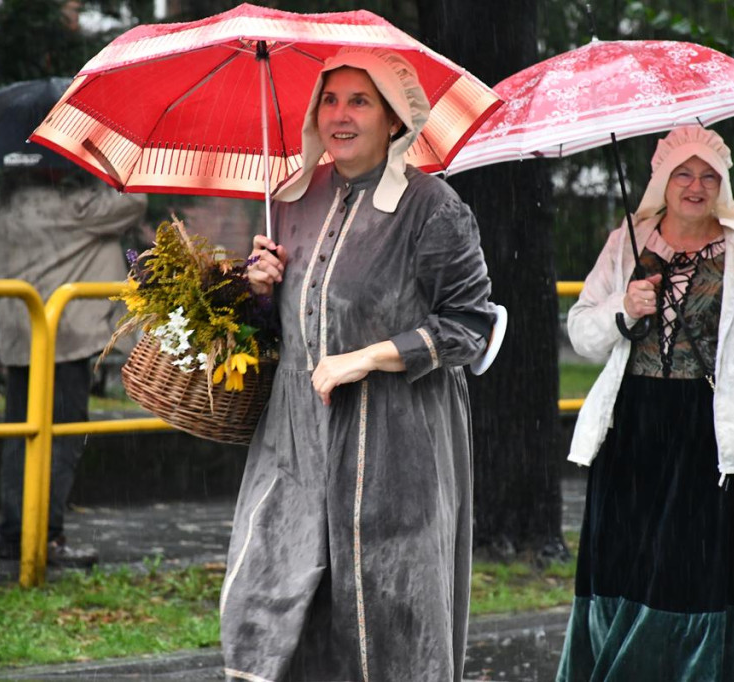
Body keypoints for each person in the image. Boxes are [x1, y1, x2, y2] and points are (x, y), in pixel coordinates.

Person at [218, 48, 497, 681]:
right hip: (295, 437)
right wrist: (260, 289)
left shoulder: (434, 208)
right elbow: (290, 327)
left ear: (395, 119)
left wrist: (366, 358)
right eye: (330, 99)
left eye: (359, 101)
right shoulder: (293, 197)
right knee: (270, 594)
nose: (339, 115)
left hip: (396, 440)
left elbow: (469, 326)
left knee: (387, 608)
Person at [556, 126, 734, 681]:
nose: (695, 186)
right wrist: (624, 307)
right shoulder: (628, 241)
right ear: (662, 181)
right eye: (683, 174)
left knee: (689, 578)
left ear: (723, 183)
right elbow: (582, 333)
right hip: (632, 431)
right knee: (626, 569)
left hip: (707, 438)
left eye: (708, 175)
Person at [0, 168, 147, 567]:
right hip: (67, 335)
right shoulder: (75, 203)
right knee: (62, 438)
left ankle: (13, 535)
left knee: (21, 435)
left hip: (20, 335)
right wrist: (105, 171)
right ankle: (46, 537)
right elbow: (134, 203)